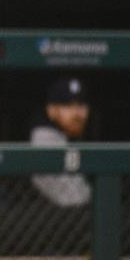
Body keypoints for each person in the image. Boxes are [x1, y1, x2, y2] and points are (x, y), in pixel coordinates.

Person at [30, 76, 92, 208]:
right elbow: (72, 200)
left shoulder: (71, 138)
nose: (77, 113)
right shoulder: (45, 139)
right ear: (51, 110)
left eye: (81, 105)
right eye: (67, 106)